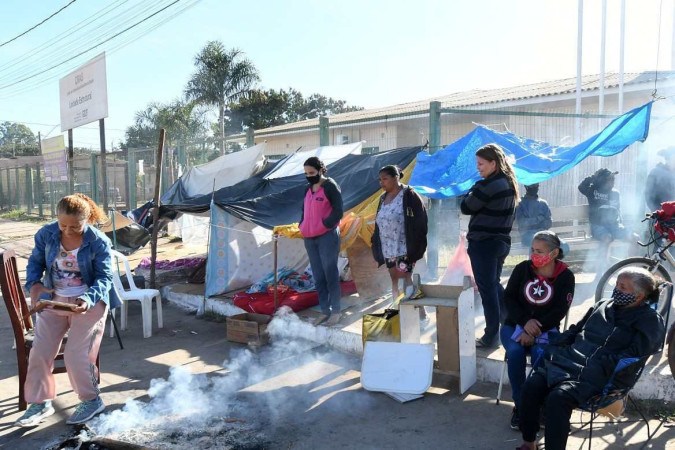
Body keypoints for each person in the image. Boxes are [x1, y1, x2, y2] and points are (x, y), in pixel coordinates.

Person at [515, 267, 666, 450]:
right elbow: (576, 330)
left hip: (601, 375)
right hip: (567, 361)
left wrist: (600, 364)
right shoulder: (602, 305)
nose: (617, 290)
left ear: (639, 295)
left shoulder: (650, 320)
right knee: (531, 387)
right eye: (617, 284)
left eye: (623, 287)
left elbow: (636, 355)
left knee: (558, 398)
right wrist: (556, 346)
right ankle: (529, 443)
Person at [15, 194, 121, 427]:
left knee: (76, 355)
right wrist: (34, 283)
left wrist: (88, 298)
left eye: (75, 226)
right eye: (63, 225)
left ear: (87, 220)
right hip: (54, 301)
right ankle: (40, 403)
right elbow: (35, 263)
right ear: (57, 219)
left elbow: (104, 278)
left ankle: (92, 400)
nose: (68, 231)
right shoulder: (46, 234)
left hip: (88, 304)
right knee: (40, 352)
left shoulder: (98, 241)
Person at [501, 231, 574, 430]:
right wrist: (525, 323)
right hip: (513, 326)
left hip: (547, 329)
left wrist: (533, 330)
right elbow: (509, 299)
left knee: (540, 354)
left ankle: (539, 405)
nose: (534, 254)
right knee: (514, 353)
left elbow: (560, 310)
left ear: (554, 253)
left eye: (539, 251)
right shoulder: (522, 269)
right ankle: (521, 406)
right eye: (532, 249)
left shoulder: (566, 276)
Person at [461, 143, 519, 348]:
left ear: (493, 163)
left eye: (481, 163)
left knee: (487, 290)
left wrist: (471, 190)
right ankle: (511, 324)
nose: (478, 167)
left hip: (485, 244)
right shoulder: (508, 182)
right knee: (493, 286)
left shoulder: (487, 185)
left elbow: (466, 206)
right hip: (500, 242)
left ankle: (491, 334)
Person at [371, 165, 428, 310]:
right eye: (379, 180)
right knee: (395, 280)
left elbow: (421, 221)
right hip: (388, 248)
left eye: (385, 179)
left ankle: (419, 314)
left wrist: (416, 247)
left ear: (396, 177)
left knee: (407, 279)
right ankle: (398, 313)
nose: (381, 183)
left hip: (404, 247)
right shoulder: (383, 198)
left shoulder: (409, 195)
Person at [299, 156, 344, 326]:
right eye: (306, 173)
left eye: (311, 172)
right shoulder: (307, 189)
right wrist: (302, 224)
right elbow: (303, 209)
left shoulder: (330, 186)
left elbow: (338, 211)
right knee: (317, 276)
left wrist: (324, 224)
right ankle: (324, 310)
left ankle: (336, 311)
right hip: (309, 238)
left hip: (327, 236)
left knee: (330, 273)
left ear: (320, 170)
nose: (309, 176)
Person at [578, 168, 629, 242]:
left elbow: (618, 211)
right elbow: (581, 187)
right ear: (602, 180)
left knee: (634, 237)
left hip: (615, 226)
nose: (613, 181)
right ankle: (602, 254)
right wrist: (593, 177)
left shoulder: (616, 193)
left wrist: (621, 225)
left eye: (613, 178)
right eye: (610, 179)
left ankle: (633, 254)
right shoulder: (593, 191)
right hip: (598, 226)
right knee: (607, 238)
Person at [645, 146, 675, 212]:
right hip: (660, 214)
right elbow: (649, 196)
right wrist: (659, 211)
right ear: (668, 159)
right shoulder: (655, 173)